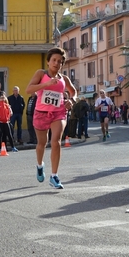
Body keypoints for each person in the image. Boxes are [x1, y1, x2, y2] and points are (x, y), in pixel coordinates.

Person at [26, 47, 77, 189]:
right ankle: (39, 165)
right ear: (48, 62)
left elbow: (74, 92)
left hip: (58, 113)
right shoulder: (41, 74)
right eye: (54, 60)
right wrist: (46, 84)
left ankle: (54, 176)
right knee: (42, 143)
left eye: (60, 61)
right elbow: (28, 89)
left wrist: (72, 100)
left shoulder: (64, 79)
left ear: (62, 64)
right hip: (41, 113)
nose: (56, 63)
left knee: (56, 142)